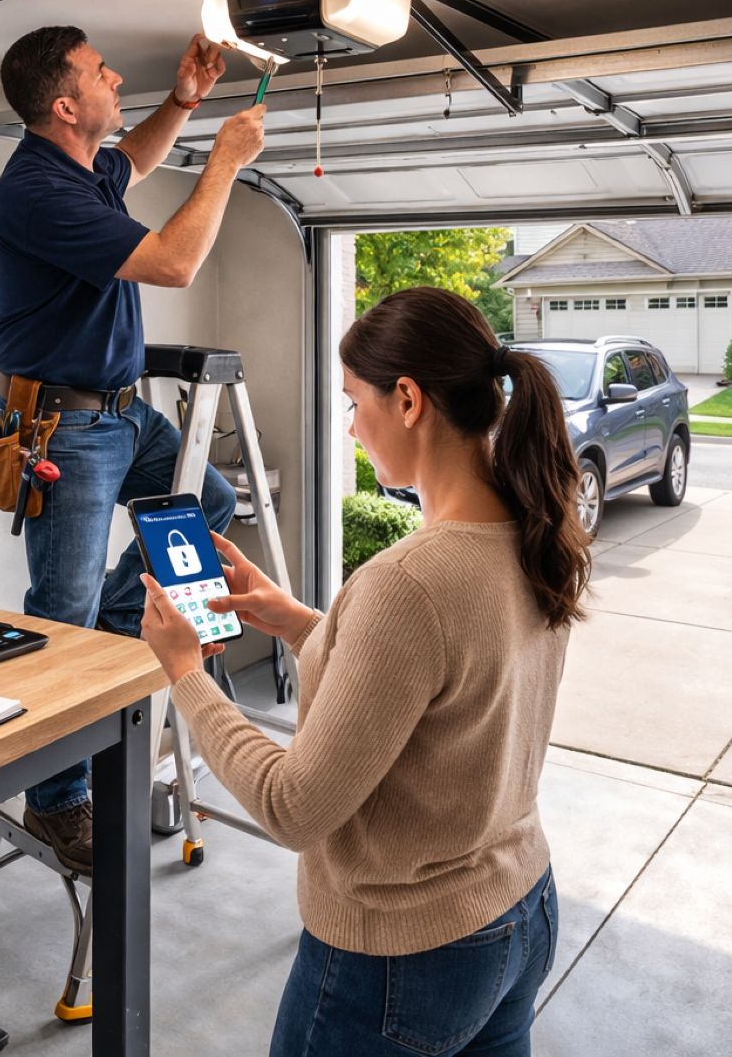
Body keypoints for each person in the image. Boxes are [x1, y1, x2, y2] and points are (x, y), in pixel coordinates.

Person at [139, 287, 591, 1056]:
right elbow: (436, 685)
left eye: (355, 402)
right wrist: (295, 621)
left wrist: (187, 674)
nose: (350, 427)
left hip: (402, 957)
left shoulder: (407, 583)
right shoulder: (534, 530)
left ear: (408, 400)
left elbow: (292, 808)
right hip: (521, 908)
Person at [0, 25, 267, 874]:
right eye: (101, 73)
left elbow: (133, 159)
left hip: (123, 413)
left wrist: (183, 102)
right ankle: (55, 802)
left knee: (209, 503)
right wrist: (225, 161)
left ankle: (124, 625)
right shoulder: (37, 191)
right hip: (65, 427)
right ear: (66, 107)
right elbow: (175, 264)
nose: (116, 79)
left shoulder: (83, 170)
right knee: (60, 611)